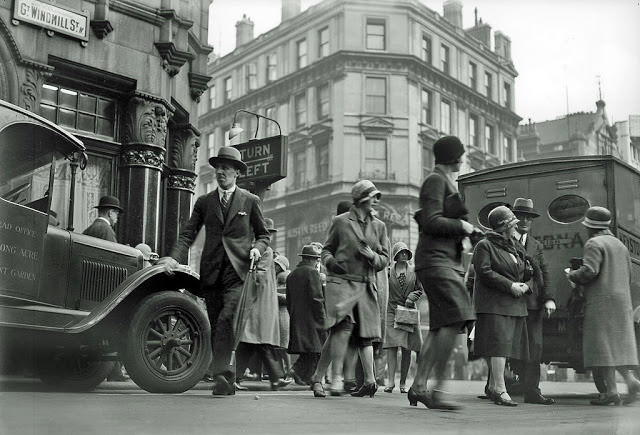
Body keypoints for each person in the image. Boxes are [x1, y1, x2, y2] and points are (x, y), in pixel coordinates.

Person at [158, 146, 270, 396]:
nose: (221, 172)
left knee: (227, 319)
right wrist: (172, 258)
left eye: (226, 168)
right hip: (212, 272)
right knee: (217, 325)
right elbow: (188, 234)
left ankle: (223, 374)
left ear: (236, 173)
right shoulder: (204, 202)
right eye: (218, 167)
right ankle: (225, 380)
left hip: (238, 272)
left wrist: (257, 249)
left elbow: (263, 234)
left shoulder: (250, 201)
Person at [408, 135, 476, 410]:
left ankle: (420, 386)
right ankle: (437, 390)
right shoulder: (435, 180)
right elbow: (433, 220)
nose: (463, 158)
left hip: (442, 260)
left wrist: (468, 230)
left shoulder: (443, 180)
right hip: (436, 261)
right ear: (455, 157)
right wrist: (464, 227)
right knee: (458, 315)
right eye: (461, 154)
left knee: (439, 326)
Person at [310, 179, 389, 398]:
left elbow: (385, 259)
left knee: (364, 335)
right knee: (341, 329)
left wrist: (373, 256)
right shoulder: (341, 222)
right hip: (342, 283)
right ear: (362, 198)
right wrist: (332, 263)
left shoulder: (379, 226)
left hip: (365, 286)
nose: (376, 201)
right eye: (373, 197)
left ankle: (324, 378)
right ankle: (334, 379)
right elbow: (326, 251)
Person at [567, 206, 640, 406]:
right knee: (617, 347)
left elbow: (590, 271)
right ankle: (631, 380)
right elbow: (629, 276)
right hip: (621, 303)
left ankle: (611, 392)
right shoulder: (620, 245)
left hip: (601, 303)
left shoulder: (594, 243)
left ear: (591, 227)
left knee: (602, 348)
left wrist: (572, 275)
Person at [472, 205, 531, 407]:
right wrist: (510, 285)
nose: (516, 227)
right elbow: (484, 272)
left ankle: (492, 386)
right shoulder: (484, 245)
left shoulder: (513, 245)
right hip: (493, 304)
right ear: (503, 227)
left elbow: (525, 269)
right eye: (513, 224)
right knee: (498, 346)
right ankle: (499, 389)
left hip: (513, 303)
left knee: (506, 346)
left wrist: (525, 284)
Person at [235, 218, 292, 391]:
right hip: (260, 302)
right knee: (259, 339)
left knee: (255, 340)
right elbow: (260, 275)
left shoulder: (252, 248)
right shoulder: (265, 250)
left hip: (258, 301)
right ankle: (275, 377)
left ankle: (273, 378)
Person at [509, 198, 556, 405]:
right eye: (521, 216)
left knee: (534, 347)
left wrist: (549, 298)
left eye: (529, 217)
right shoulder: (505, 240)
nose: (525, 220)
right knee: (506, 346)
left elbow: (543, 273)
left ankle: (532, 391)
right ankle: (498, 387)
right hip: (509, 302)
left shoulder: (536, 245)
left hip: (533, 304)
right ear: (513, 218)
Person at [83, 195, 128, 382]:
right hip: (102, 291)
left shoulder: (89, 229)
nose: (117, 218)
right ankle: (114, 371)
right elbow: (113, 262)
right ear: (110, 212)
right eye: (116, 214)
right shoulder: (106, 230)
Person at [383, 241, 423, 394]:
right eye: (401, 252)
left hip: (408, 312)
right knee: (391, 347)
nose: (404, 254)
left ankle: (403, 383)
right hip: (392, 311)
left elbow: (420, 289)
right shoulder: (387, 272)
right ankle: (390, 382)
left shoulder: (414, 271)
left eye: (406, 252)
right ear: (395, 255)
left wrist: (412, 297)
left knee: (407, 348)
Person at [287, 244, 327, 387]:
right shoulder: (312, 273)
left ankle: (299, 373)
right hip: (312, 319)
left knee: (309, 350)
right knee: (318, 350)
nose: (317, 262)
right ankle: (306, 375)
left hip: (297, 317)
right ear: (311, 259)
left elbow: (288, 300)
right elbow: (317, 298)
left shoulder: (292, 274)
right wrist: (323, 319)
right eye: (316, 259)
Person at [274, 254, 292, 380]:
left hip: (283, 315)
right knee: (279, 346)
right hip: (278, 314)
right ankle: (282, 370)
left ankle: (288, 370)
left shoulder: (284, 280)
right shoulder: (274, 279)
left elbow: (286, 299)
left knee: (283, 345)